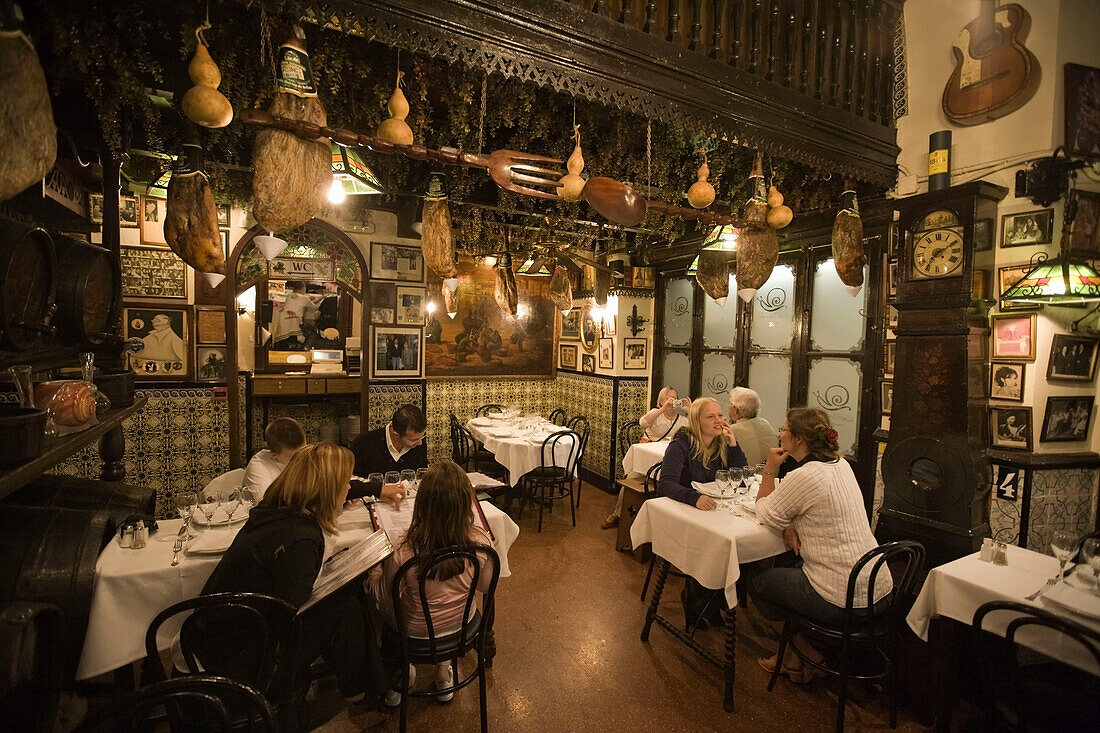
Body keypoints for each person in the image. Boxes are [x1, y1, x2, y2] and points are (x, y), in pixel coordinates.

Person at [194, 443, 387, 705]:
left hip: (216, 630)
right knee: (345, 605)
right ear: (327, 490)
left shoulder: (275, 509)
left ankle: (367, 685)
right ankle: (372, 687)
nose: (349, 489)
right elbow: (289, 613)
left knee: (346, 596)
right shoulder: (300, 538)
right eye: (345, 483)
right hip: (240, 655)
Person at [749, 408, 892, 683]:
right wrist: (790, 526)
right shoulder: (841, 464)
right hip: (878, 587)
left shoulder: (805, 476)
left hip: (842, 597)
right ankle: (794, 659)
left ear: (799, 439)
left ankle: (805, 652)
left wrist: (769, 469)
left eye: (785, 429)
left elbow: (765, 512)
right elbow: (813, 511)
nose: (780, 433)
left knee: (756, 581)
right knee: (789, 566)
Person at [367, 460, 494, 705]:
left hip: (415, 632)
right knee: (443, 605)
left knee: (386, 606)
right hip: (463, 622)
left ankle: (401, 673)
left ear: (422, 504)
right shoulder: (479, 541)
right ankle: (443, 669)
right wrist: (487, 556)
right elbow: (486, 588)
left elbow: (384, 600)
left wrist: (374, 571)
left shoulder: (405, 549)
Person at [658, 398, 749, 628]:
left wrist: (733, 445)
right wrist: (694, 498)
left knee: (735, 545)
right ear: (697, 421)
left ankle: (712, 597)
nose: (719, 421)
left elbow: (742, 479)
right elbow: (666, 484)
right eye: (711, 417)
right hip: (681, 514)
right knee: (713, 545)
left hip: (711, 513)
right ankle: (698, 599)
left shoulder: (720, 444)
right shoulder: (681, 444)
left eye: (720, 415)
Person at [600, 386, 690, 530]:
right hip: (647, 458)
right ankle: (617, 513)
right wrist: (662, 410)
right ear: (661, 401)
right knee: (631, 479)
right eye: (668, 397)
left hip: (668, 460)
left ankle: (660, 522)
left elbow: (697, 431)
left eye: (674, 397)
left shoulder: (683, 421)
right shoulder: (655, 413)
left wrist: (690, 410)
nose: (672, 400)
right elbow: (643, 423)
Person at [348, 404, 428, 506]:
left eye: (422, 437)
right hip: (371, 506)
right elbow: (349, 478)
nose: (420, 443)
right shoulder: (364, 443)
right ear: (396, 435)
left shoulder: (418, 444)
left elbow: (421, 477)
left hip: (406, 505)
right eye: (414, 440)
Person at [243, 417, 306, 498]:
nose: (301, 459)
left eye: (303, 452)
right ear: (274, 455)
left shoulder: (307, 457)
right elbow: (267, 504)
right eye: (293, 457)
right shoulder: (258, 467)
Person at [727, 387, 778, 466]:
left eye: (729, 403)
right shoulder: (766, 424)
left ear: (735, 409)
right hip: (772, 475)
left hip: (747, 476)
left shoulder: (731, 431)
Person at [272, 281, 315, 350]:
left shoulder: (289, 295)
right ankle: (306, 347)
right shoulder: (305, 298)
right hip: (298, 324)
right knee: (313, 330)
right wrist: (311, 300)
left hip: (284, 323)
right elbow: (313, 307)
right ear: (304, 288)